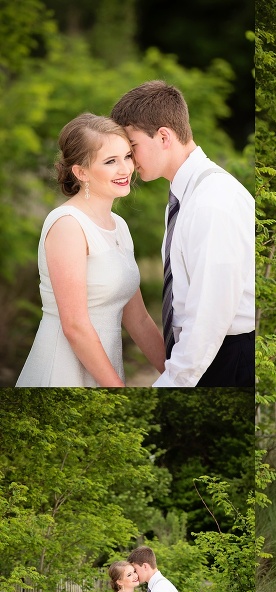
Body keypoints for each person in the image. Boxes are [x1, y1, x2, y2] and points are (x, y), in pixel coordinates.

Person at [110, 81, 255, 387]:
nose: (130, 161)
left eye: (132, 147)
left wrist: (174, 381)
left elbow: (210, 316)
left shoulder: (212, 201)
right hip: (209, 356)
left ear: (164, 136)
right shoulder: (184, 196)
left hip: (227, 359)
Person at [15, 114, 166, 387]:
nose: (125, 169)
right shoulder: (68, 225)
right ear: (81, 172)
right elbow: (74, 326)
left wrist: (178, 375)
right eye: (110, 161)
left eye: (127, 156)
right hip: (64, 370)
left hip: (105, 370)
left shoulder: (119, 226)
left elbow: (139, 319)